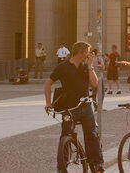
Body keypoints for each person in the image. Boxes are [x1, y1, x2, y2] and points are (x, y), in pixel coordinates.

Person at [44, 41, 104, 172]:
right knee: (65, 135)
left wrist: (90, 66)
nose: (89, 56)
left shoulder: (85, 66)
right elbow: (48, 83)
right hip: (69, 108)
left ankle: (97, 164)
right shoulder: (62, 67)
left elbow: (94, 84)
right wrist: (48, 103)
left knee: (92, 135)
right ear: (80, 53)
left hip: (86, 105)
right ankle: (62, 167)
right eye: (87, 53)